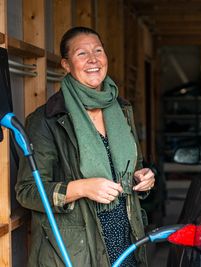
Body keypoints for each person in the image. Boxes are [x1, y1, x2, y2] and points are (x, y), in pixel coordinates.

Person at [15, 26, 155, 267]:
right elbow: (27, 192)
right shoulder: (47, 120)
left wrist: (142, 179)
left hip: (127, 240)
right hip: (77, 251)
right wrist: (81, 188)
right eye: (82, 53)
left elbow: (133, 167)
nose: (93, 59)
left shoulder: (122, 110)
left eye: (98, 50)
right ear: (66, 65)